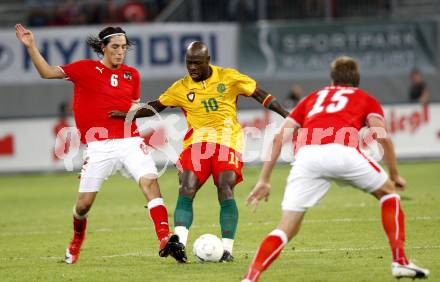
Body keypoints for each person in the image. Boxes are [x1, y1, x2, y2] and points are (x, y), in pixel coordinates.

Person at [242, 56, 430, 281]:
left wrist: (264, 180)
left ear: (332, 80)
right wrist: (395, 174)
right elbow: (383, 137)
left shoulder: (312, 98)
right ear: (357, 80)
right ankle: (400, 261)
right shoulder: (365, 98)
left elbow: (279, 137)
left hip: (307, 158)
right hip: (343, 153)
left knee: (286, 227)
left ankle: (251, 277)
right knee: (389, 193)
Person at [15, 24, 184, 264]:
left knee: (150, 182)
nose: (120, 52)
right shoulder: (84, 69)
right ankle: (76, 240)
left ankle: (164, 238)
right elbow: (46, 72)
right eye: (115, 47)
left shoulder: (131, 75)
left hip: (130, 140)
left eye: (124, 47)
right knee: (83, 206)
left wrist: (154, 107)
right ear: (102, 47)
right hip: (98, 146)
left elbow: (134, 108)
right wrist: (31, 46)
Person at [110, 41, 289, 262]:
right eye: (188, 63)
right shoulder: (181, 88)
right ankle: (180, 245)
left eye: (196, 63)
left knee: (225, 187)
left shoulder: (229, 77)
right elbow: (156, 106)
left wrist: (287, 115)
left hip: (227, 142)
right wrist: (127, 114)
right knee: (187, 188)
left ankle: (226, 250)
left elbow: (262, 95)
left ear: (208, 61)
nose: (192, 67)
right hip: (197, 145)